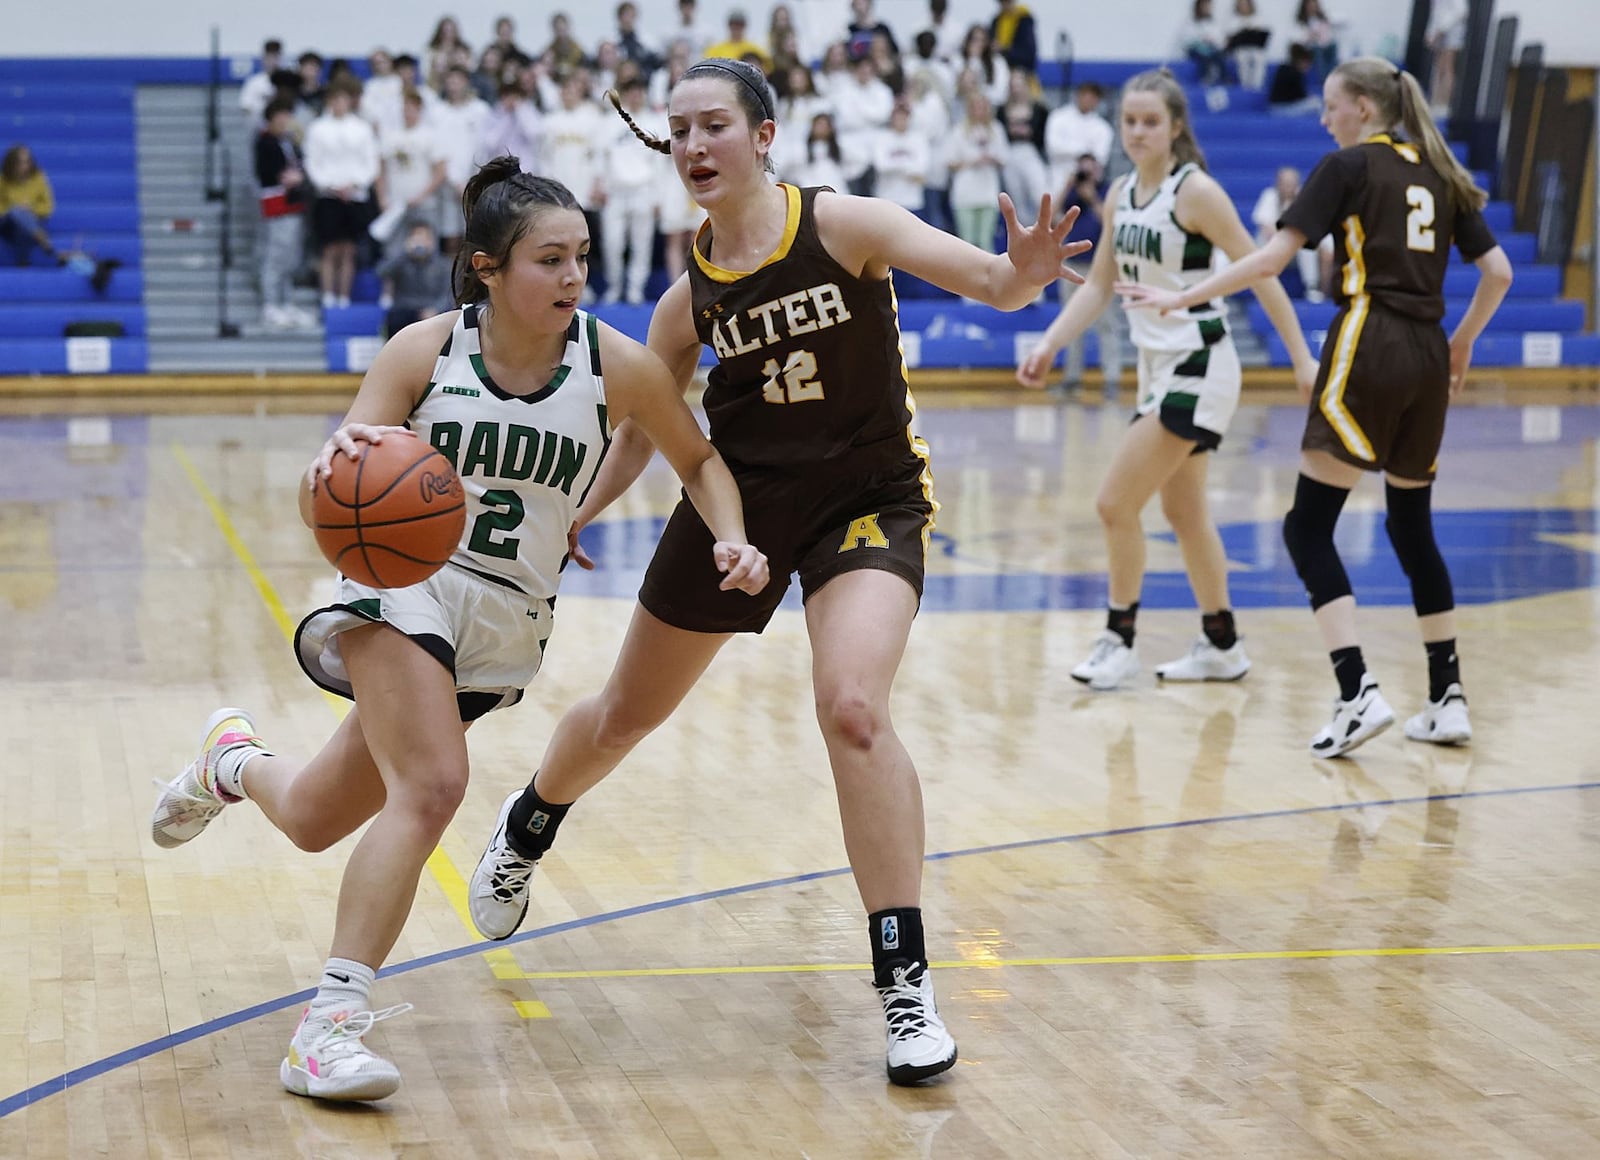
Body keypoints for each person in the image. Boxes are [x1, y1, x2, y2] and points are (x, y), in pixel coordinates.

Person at [468, 56, 1089, 1087]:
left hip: (865, 501)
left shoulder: (847, 225)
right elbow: (643, 427)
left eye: (713, 123)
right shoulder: (685, 302)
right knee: (624, 714)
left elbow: (993, 282)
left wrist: (1024, 271)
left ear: (763, 135)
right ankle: (529, 819)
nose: (693, 145)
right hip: (737, 513)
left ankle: (903, 982)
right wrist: (579, 510)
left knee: (852, 706)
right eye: (678, 131)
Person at [149, 158, 769, 1103]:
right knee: (435, 786)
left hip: (507, 620)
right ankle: (329, 1027)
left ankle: (227, 762)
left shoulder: (618, 365)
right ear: (487, 268)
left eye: (582, 259)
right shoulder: (422, 352)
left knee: (318, 817)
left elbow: (699, 460)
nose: (573, 279)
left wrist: (731, 538)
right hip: (406, 583)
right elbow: (341, 476)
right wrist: (339, 457)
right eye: (549, 260)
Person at [1115, 58, 1513, 754]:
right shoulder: (1440, 172)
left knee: (1307, 527)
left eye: (1332, 106)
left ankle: (1356, 690)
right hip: (1426, 352)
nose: (1325, 119)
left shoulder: (1351, 167)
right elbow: (1499, 273)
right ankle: (1447, 696)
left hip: (1369, 340)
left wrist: (1183, 296)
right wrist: (1462, 344)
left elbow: (1270, 260)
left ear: (1362, 107)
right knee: (1412, 527)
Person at [1016, 68, 1319, 690]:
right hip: (1156, 370)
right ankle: (1222, 643)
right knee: (1185, 514)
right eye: (1129, 120)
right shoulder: (1121, 192)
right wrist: (1049, 342)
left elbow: (1262, 272)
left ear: (1176, 127)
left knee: (1113, 503)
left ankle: (1118, 638)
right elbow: (1099, 285)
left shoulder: (1197, 192)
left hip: (1201, 360)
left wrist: (1300, 357)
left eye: (1151, 121)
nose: (1138, 131)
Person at [253, 97, 313, 330]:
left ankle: (287, 302)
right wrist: (286, 177)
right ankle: (270, 304)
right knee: (276, 256)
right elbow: (266, 172)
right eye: (281, 116)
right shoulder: (264, 141)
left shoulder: (289, 141)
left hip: (293, 203)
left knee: (291, 257)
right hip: (277, 204)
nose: (286, 121)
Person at [376, 217, 453, 336]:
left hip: (431, 310)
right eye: (417, 238)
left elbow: (448, 294)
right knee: (396, 317)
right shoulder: (401, 261)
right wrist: (404, 253)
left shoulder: (443, 265)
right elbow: (381, 272)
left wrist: (435, 309)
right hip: (404, 310)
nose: (421, 242)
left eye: (425, 238)